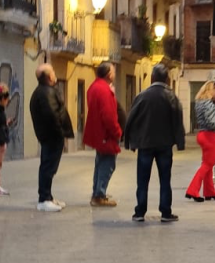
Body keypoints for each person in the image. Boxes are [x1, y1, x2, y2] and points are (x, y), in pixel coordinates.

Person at [124, 64, 185, 222]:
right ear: (166, 79)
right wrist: (180, 142)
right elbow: (178, 120)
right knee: (165, 179)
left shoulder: (142, 96)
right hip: (165, 145)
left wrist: (129, 141)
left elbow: (131, 119)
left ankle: (140, 212)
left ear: (152, 78)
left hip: (145, 144)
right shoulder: (171, 96)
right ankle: (165, 212)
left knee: (142, 180)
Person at [30, 64, 74, 212]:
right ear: (49, 76)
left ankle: (47, 196)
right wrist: (60, 132)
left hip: (49, 135)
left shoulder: (44, 91)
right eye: (53, 72)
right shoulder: (46, 93)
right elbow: (52, 114)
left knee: (49, 167)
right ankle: (44, 199)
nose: (55, 74)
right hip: (51, 136)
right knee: (48, 167)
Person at [83, 62, 123, 207]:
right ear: (109, 74)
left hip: (98, 132)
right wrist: (117, 131)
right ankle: (99, 194)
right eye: (113, 71)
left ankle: (97, 192)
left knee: (100, 163)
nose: (114, 73)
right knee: (107, 164)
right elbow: (108, 115)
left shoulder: (94, 87)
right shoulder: (104, 90)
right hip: (106, 134)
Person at [185, 81, 215, 202]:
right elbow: (211, 122)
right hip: (209, 135)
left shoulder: (200, 103)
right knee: (207, 165)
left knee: (208, 164)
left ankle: (210, 192)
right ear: (210, 90)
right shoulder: (209, 104)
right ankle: (192, 190)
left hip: (203, 134)